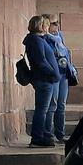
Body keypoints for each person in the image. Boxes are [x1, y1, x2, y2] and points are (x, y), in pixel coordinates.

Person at [23, 15, 62, 147]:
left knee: (46, 108)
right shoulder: (36, 41)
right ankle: (38, 137)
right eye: (45, 25)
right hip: (44, 79)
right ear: (40, 26)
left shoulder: (37, 39)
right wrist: (53, 72)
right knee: (42, 109)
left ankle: (45, 135)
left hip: (45, 78)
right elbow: (41, 62)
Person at [42, 15, 77, 142]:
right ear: (47, 25)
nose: (57, 25)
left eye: (57, 23)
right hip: (53, 72)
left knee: (61, 104)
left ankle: (60, 133)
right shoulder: (44, 39)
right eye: (54, 23)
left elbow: (65, 53)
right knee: (53, 103)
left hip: (63, 71)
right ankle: (47, 133)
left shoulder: (59, 37)